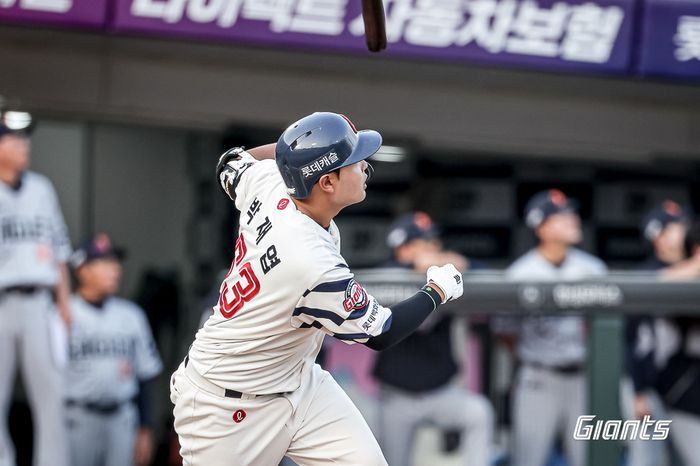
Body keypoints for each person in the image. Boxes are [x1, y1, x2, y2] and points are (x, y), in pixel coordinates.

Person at [169, 112, 464, 466]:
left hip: (300, 384)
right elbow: (382, 332)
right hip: (226, 405)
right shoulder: (311, 262)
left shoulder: (270, 182)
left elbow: (230, 162)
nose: (366, 167)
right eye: (354, 161)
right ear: (326, 182)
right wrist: (436, 291)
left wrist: (297, 153)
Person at [373, 211, 494, 466]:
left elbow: (489, 275)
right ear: (403, 249)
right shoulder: (388, 275)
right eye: (425, 242)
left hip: (440, 393)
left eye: (434, 241)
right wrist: (414, 266)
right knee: (389, 461)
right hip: (397, 397)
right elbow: (385, 272)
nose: (434, 247)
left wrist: (464, 263)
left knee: (478, 413)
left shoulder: (447, 275)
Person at [501, 189, 607, 466]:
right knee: (528, 459)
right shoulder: (520, 274)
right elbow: (505, 331)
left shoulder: (593, 269)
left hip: (584, 377)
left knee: (588, 459)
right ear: (542, 228)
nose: (573, 219)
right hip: (540, 377)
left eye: (572, 213)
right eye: (562, 216)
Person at [0, 102, 72, 466]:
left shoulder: (42, 189)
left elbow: (60, 250)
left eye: (25, 140)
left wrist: (64, 303)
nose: (24, 146)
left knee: (51, 395)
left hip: (40, 302)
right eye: (15, 141)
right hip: (2, 302)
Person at [65, 233, 163, 466]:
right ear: (82, 270)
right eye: (105, 262)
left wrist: (145, 429)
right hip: (76, 419)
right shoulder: (62, 314)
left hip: (121, 420)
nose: (115, 269)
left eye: (115, 261)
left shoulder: (132, 315)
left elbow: (145, 376)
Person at [628, 209, 700, 466]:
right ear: (658, 236)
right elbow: (629, 340)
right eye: (676, 227)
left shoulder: (690, 271)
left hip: (676, 381)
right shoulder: (647, 272)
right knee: (645, 459)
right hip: (642, 383)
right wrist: (637, 392)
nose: (683, 231)